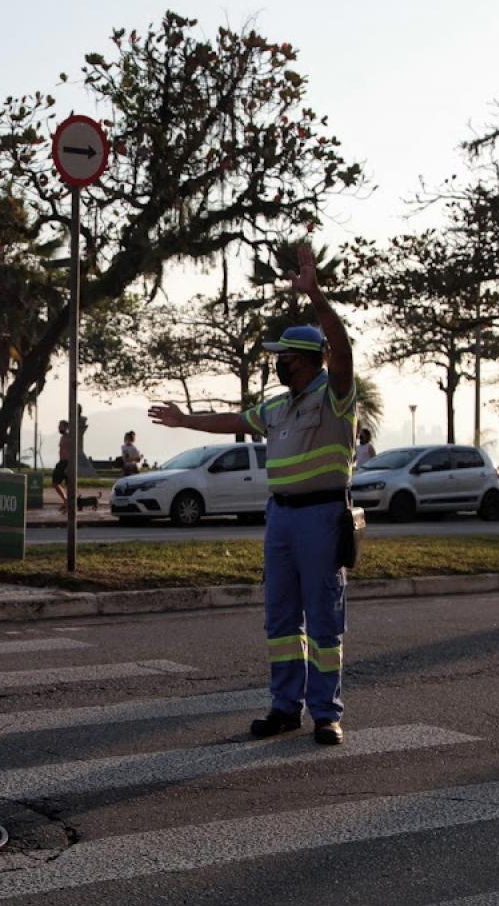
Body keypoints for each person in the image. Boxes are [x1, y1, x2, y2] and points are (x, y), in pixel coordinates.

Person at [149, 243, 354, 747]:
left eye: (283, 357)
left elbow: (342, 346)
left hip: (322, 517)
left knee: (324, 620)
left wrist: (317, 296)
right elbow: (234, 420)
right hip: (281, 519)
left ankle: (326, 713)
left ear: (304, 360)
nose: (278, 363)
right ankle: (285, 708)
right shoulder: (279, 406)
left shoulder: (335, 394)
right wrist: (184, 421)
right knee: (282, 619)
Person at [52, 420, 73, 508]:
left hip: (67, 462)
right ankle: (66, 500)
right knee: (55, 483)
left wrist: (69, 465)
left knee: (68, 484)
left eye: (60, 426)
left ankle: (68, 502)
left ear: (66, 427)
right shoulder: (63, 437)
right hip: (61, 462)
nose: (59, 428)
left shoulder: (70, 437)